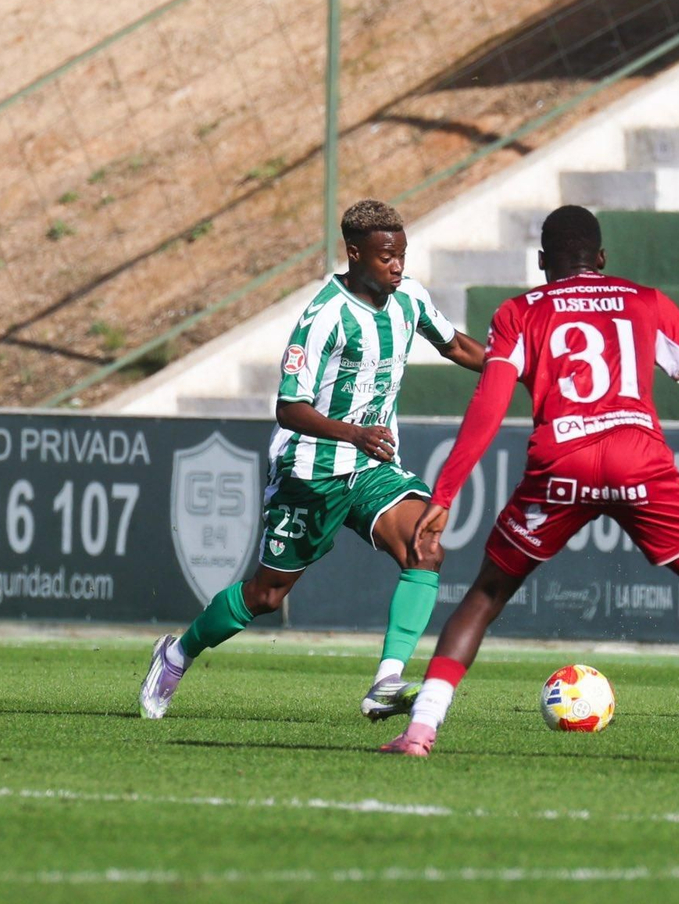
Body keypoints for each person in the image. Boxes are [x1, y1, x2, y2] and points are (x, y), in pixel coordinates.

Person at [377, 205, 679, 758]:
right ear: (602, 259)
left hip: (559, 464)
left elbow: (488, 406)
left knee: (484, 597)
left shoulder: (519, 312)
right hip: (638, 459)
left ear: (542, 261)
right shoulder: (646, 303)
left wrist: (445, 493)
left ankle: (421, 730)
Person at [139, 199, 485, 720]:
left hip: (370, 468)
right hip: (310, 470)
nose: (398, 266)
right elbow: (288, 408)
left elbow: (456, 345)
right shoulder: (324, 317)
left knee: (425, 546)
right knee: (267, 594)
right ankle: (178, 653)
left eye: (402, 255)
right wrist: (353, 433)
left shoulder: (409, 298)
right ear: (354, 253)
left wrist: (520, 371)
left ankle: (386, 682)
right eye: (386, 257)